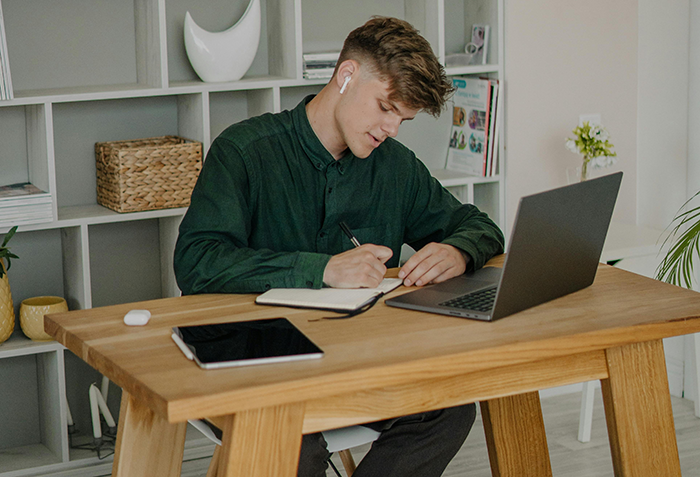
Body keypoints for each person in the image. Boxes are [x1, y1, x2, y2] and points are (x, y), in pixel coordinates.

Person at [174, 16, 504, 477]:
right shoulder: (245, 151)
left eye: (402, 118)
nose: (391, 128)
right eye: (386, 107)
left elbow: (478, 225)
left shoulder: (395, 167)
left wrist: (459, 250)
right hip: (260, 365)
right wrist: (323, 269)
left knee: (449, 409)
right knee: (289, 442)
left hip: (358, 364)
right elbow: (196, 262)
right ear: (346, 75)